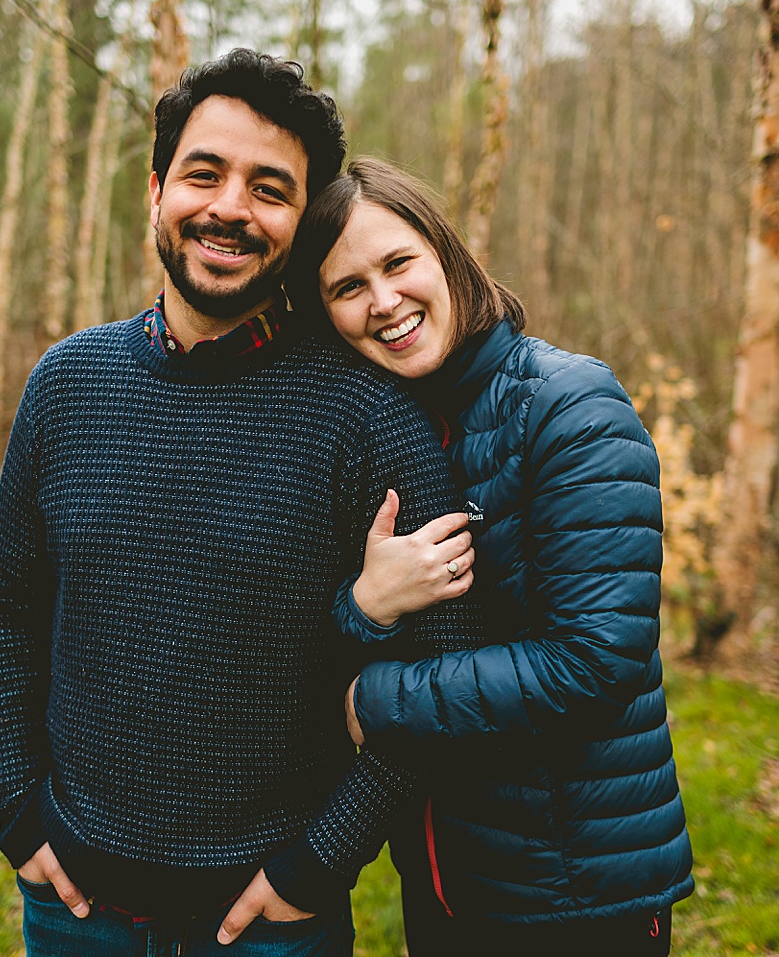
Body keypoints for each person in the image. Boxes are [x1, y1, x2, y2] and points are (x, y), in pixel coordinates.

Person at [0, 54, 483, 957]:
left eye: (270, 188)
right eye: (204, 173)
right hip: (73, 902)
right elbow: (11, 609)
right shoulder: (66, 385)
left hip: (271, 919)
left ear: (303, 221)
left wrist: (320, 863)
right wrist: (19, 808)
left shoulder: (370, 420)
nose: (229, 208)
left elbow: (437, 684)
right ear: (157, 189)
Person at [285, 157, 695, 955]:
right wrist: (364, 606)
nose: (384, 302)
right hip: (445, 880)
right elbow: (329, 626)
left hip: (576, 889)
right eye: (347, 288)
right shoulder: (383, 435)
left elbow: (595, 661)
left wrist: (375, 699)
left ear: (446, 252)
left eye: (398, 263)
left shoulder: (568, 406)